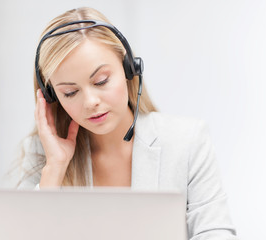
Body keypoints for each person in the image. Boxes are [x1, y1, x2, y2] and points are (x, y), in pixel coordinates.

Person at [16, 7, 238, 240]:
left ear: (129, 69)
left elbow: (216, 233)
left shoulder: (187, 141)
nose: (91, 102)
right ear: (52, 97)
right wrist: (54, 170)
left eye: (101, 81)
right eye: (70, 92)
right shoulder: (42, 154)